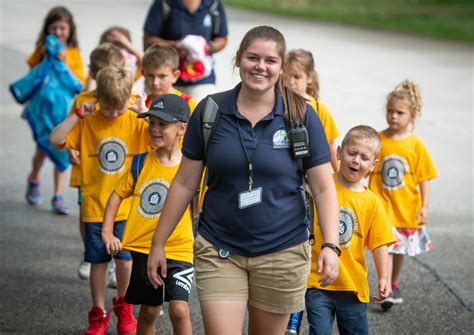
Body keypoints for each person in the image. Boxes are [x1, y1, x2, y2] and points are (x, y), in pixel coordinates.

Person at [146, 25, 340, 335]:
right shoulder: (210, 111)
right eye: (252, 57)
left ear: (281, 67)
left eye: (270, 60)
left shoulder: (300, 115)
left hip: (283, 250)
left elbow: (323, 185)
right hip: (220, 248)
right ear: (238, 59)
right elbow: (184, 183)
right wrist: (159, 243)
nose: (260, 66)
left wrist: (331, 245)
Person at [49, 67, 151, 335]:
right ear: (97, 98)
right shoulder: (87, 119)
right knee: (98, 262)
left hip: (127, 207)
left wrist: (144, 111)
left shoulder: (135, 119)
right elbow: (56, 139)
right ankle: (98, 312)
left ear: (128, 98)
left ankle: (124, 305)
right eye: (108, 108)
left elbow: (162, 143)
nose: (115, 113)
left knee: (126, 261)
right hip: (96, 206)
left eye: (120, 107)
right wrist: (77, 115)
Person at [102, 94, 194, 335]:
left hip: (181, 249)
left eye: (162, 124)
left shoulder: (192, 167)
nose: (154, 129)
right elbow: (115, 196)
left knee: (179, 310)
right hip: (144, 249)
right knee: (149, 311)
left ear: (182, 129)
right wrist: (107, 232)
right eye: (151, 122)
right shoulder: (140, 163)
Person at [306, 125, 397, 335]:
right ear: (338, 152)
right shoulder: (321, 186)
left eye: (364, 157)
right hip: (317, 282)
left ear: (373, 165)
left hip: (352, 286)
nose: (356, 160)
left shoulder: (372, 202)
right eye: (352, 153)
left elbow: (380, 243)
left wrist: (384, 277)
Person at [369, 80, 438, 309]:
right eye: (390, 111)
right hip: (382, 206)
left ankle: (393, 282)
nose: (393, 116)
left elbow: (424, 177)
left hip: (406, 207)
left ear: (413, 115)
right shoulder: (378, 139)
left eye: (400, 112)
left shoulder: (415, 144)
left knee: (400, 250)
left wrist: (424, 206)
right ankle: (385, 287)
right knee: (387, 246)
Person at [68, 43, 126, 284]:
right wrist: (71, 148)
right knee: (88, 215)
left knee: (118, 228)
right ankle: (90, 253)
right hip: (91, 175)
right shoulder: (83, 102)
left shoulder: (125, 101)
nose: (107, 77)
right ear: (93, 73)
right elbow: (70, 132)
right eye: (102, 71)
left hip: (117, 178)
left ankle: (111, 262)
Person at [25, 6, 85, 214]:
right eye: (54, 28)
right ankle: (34, 177)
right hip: (43, 110)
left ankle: (58, 195)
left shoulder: (74, 54)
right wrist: (45, 58)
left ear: (70, 30)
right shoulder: (42, 51)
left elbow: (79, 83)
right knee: (41, 149)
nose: (59, 32)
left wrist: (65, 62)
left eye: (63, 28)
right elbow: (31, 76)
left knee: (62, 150)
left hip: (63, 112)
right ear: (47, 29)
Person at [143, 0, 229, 101]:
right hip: (164, 77)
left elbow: (222, 38)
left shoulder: (213, 4)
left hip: (202, 77)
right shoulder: (165, 3)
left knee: (202, 113)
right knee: (158, 114)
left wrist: (205, 48)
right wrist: (174, 46)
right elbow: (149, 39)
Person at [287, 49, 340, 172]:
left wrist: (338, 175)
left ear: (309, 77)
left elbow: (330, 147)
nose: (290, 82)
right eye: (287, 76)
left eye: (296, 77)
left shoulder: (319, 109)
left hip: (312, 173)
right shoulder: (278, 105)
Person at [83, 26, 144, 92]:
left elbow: (148, 61)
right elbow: (89, 89)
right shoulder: (98, 67)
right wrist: (97, 60)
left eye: (120, 45)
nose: (115, 51)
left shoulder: (129, 67)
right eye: (111, 46)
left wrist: (127, 44)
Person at [141, 44, 197, 112]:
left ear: (175, 76)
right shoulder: (137, 105)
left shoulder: (189, 105)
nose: (155, 82)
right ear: (143, 74)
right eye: (150, 76)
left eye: (162, 76)